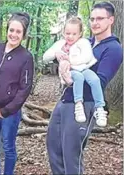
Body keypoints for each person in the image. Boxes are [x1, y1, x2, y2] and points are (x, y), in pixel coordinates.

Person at [46, 2, 123, 175]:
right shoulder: (84, 42)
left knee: (71, 154)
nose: (95, 22)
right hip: (65, 99)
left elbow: (100, 80)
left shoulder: (113, 48)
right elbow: (64, 58)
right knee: (53, 147)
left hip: (85, 104)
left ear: (111, 20)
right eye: (92, 19)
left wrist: (72, 79)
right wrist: (60, 58)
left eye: (100, 19)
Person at [0, 12, 34, 175]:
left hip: (10, 113)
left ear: (23, 35)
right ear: (7, 30)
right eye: (11, 30)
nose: (14, 34)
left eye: (18, 32)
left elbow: (24, 88)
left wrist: (6, 110)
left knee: (8, 147)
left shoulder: (26, 57)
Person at [43, 17, 107, 127]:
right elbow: (45, 57)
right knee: (78, 78)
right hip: (70, 71)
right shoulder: (61, 44)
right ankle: (78, 104)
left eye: (74, 34)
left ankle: (100, 107)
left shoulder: (84, 42)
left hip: (84, 68)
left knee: (95, 79)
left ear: (80, 33)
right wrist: (56, 53)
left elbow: (87, 57)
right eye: (68, 33)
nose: (70, 36)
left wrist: (70, 60)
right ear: (63, 33)